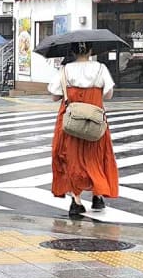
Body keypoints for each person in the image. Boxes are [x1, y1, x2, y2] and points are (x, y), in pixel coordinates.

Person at [47, 42, 118, 217]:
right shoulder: (100, 68)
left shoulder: (65, 71)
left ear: (71, 51)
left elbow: (54, 96)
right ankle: (97, 195)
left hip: (71, 120)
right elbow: (108, 94)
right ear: (91, 50)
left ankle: (76, 201)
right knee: (96, 156)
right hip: (94, 119)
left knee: (71, 157)